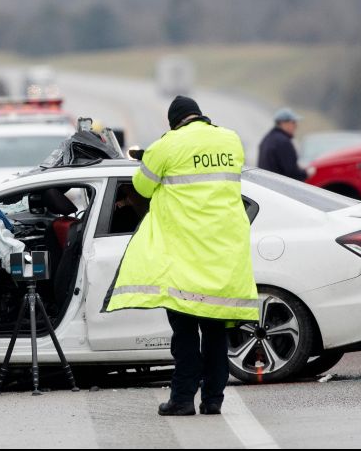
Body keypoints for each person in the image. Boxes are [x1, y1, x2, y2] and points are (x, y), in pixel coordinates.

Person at [102, 95, 259, 416]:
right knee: (215, 334)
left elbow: (141, 187)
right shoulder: (231, 140)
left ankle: (183, 399)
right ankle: (213, 400)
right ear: (200, 115)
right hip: (224, 254)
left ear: (174, 121)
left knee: (185, 335)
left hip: (185, 258)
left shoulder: (168, 145)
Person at [257, 107, 308, 180]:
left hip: (266, 183)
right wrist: (306, 173)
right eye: (293, 122)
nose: (296, 125)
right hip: (277, 187)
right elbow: (291, 173)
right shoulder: (283, 142)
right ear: (283, 123)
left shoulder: (267, 138)